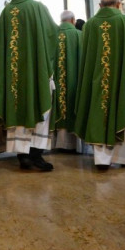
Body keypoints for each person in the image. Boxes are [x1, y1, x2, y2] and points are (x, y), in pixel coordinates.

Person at [0, 0, 58, 171]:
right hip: (36, 71)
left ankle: (22, 156)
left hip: (13, 75)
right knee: (39, 105)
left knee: (16, 107)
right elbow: (53, 34)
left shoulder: (6, 12)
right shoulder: (38, 7)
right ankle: (36, 155)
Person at [73, 0, 125, 170]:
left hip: (96, 81)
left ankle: (102, 160)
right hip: (122, 80)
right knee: (124, 110)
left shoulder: (90, 25)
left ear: (100, 6)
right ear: (119, 5)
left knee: (97, 111)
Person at [52, 10, 82, 151]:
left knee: (56, 104)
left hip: (54, 82)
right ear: (73, 20)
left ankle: (56, 143)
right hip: (74, 82)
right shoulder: (79, 35)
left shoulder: (52, 35)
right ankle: (73, 144)